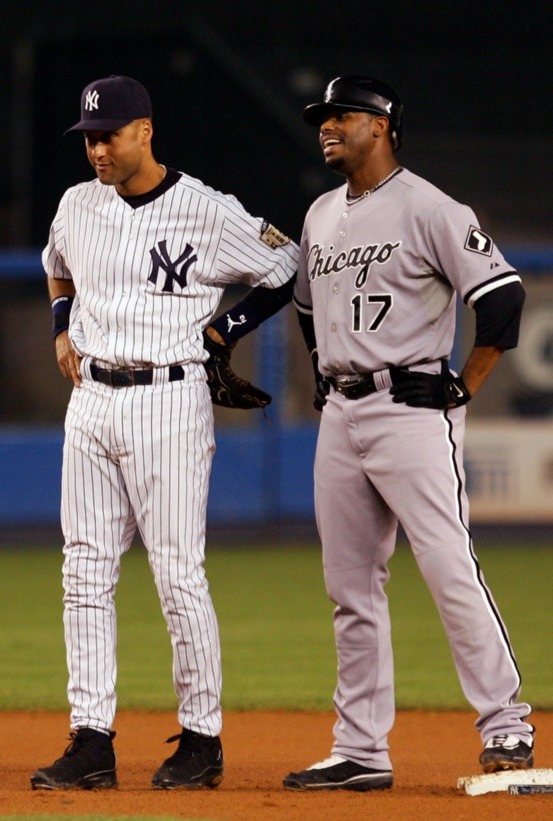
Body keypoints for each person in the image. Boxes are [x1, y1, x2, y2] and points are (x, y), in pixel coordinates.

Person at [30, 74, 297, 791]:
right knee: (83, 570)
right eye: (88, 137)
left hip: (167, 400)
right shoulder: (77, 205)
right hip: (90, 401)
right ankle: (92, 740)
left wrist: (224, 330)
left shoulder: (205, 209)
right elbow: (55, 266)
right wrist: (61, 328)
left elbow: (286, 266)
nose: (96, 150)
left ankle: (202, 739)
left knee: (177, 571)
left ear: (145, 131)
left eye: (108, 135)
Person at [283, 74, 534, 792]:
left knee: (449, 566)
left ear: (381, 125)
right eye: (322, 119)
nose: (327, 128)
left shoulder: (429, 208)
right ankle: (361, 748)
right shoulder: (320, 214)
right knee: (350, 587)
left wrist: (465, 381)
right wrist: (328, 374)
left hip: (412, 410)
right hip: (342, 414)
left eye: (342, 117)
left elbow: (503, 297)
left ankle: (506, 722)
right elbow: (307, 308)